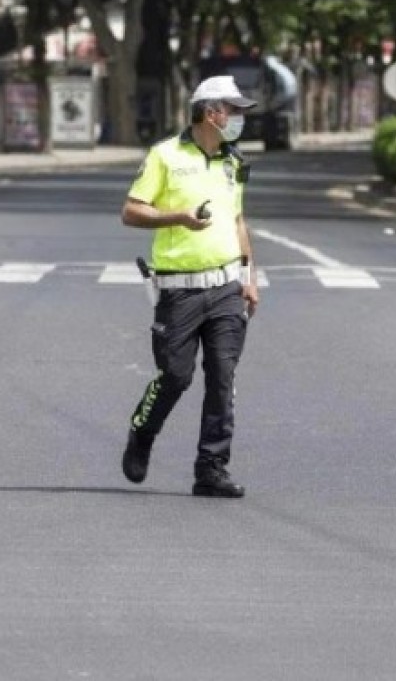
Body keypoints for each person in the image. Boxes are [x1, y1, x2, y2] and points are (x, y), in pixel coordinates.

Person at [119, 75, 261, 498]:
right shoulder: (165, 156)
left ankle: (211, 468)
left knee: (222, 376)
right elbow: (131, 211)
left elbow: (237, 222)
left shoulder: (233, 163)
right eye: (232, 110)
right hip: (179, 290)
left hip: (225, 287)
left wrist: (249, 277)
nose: (237, 118)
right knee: (176, 375)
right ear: (209, 111)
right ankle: (142, 432)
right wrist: (177, 216)